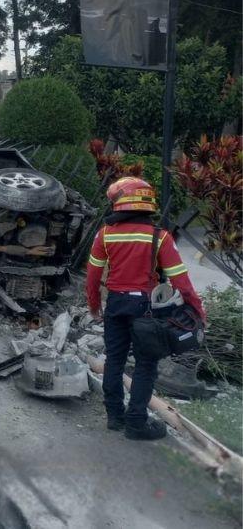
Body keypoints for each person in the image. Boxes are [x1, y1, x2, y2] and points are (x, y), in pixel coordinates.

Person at [86, 176, 206, 441]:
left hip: (116, 303)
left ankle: (114, 417)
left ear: (121, 203)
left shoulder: (105, 234)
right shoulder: (159, 237)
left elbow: (93, 276)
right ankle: (136, 423)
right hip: (145, 308)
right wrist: (197, 310)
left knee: (114, 361)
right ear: (146, 202)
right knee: (145, 365)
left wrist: (95, 305)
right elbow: (181, 282)